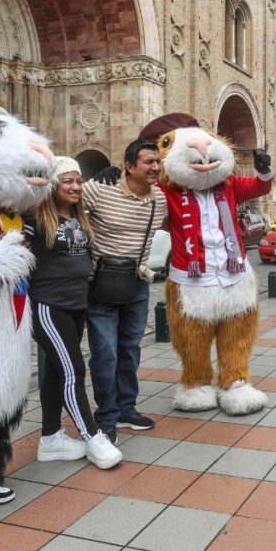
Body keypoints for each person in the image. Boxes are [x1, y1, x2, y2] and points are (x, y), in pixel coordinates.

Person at [26, 157, 122, 469]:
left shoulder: (79, 217)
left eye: (78, 181)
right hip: (48, 306)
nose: (75, 187)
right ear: (52, 184)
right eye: (67, 181)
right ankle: (92, 437)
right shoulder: (35, 218)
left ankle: (51, 438)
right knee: (74, 371)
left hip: (77, 304)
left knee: (55, 373)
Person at [82, 139, 168, 444]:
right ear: (129, 166)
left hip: (137, 284)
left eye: (158, 162)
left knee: (130, 350)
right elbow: (65, 201)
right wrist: (93, 178)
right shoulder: (100, 190)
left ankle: (126, 408)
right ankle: (105, 416)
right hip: (101, 285)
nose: (156, 167)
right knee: (104, 352)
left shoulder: (160, 199)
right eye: (148, 162)